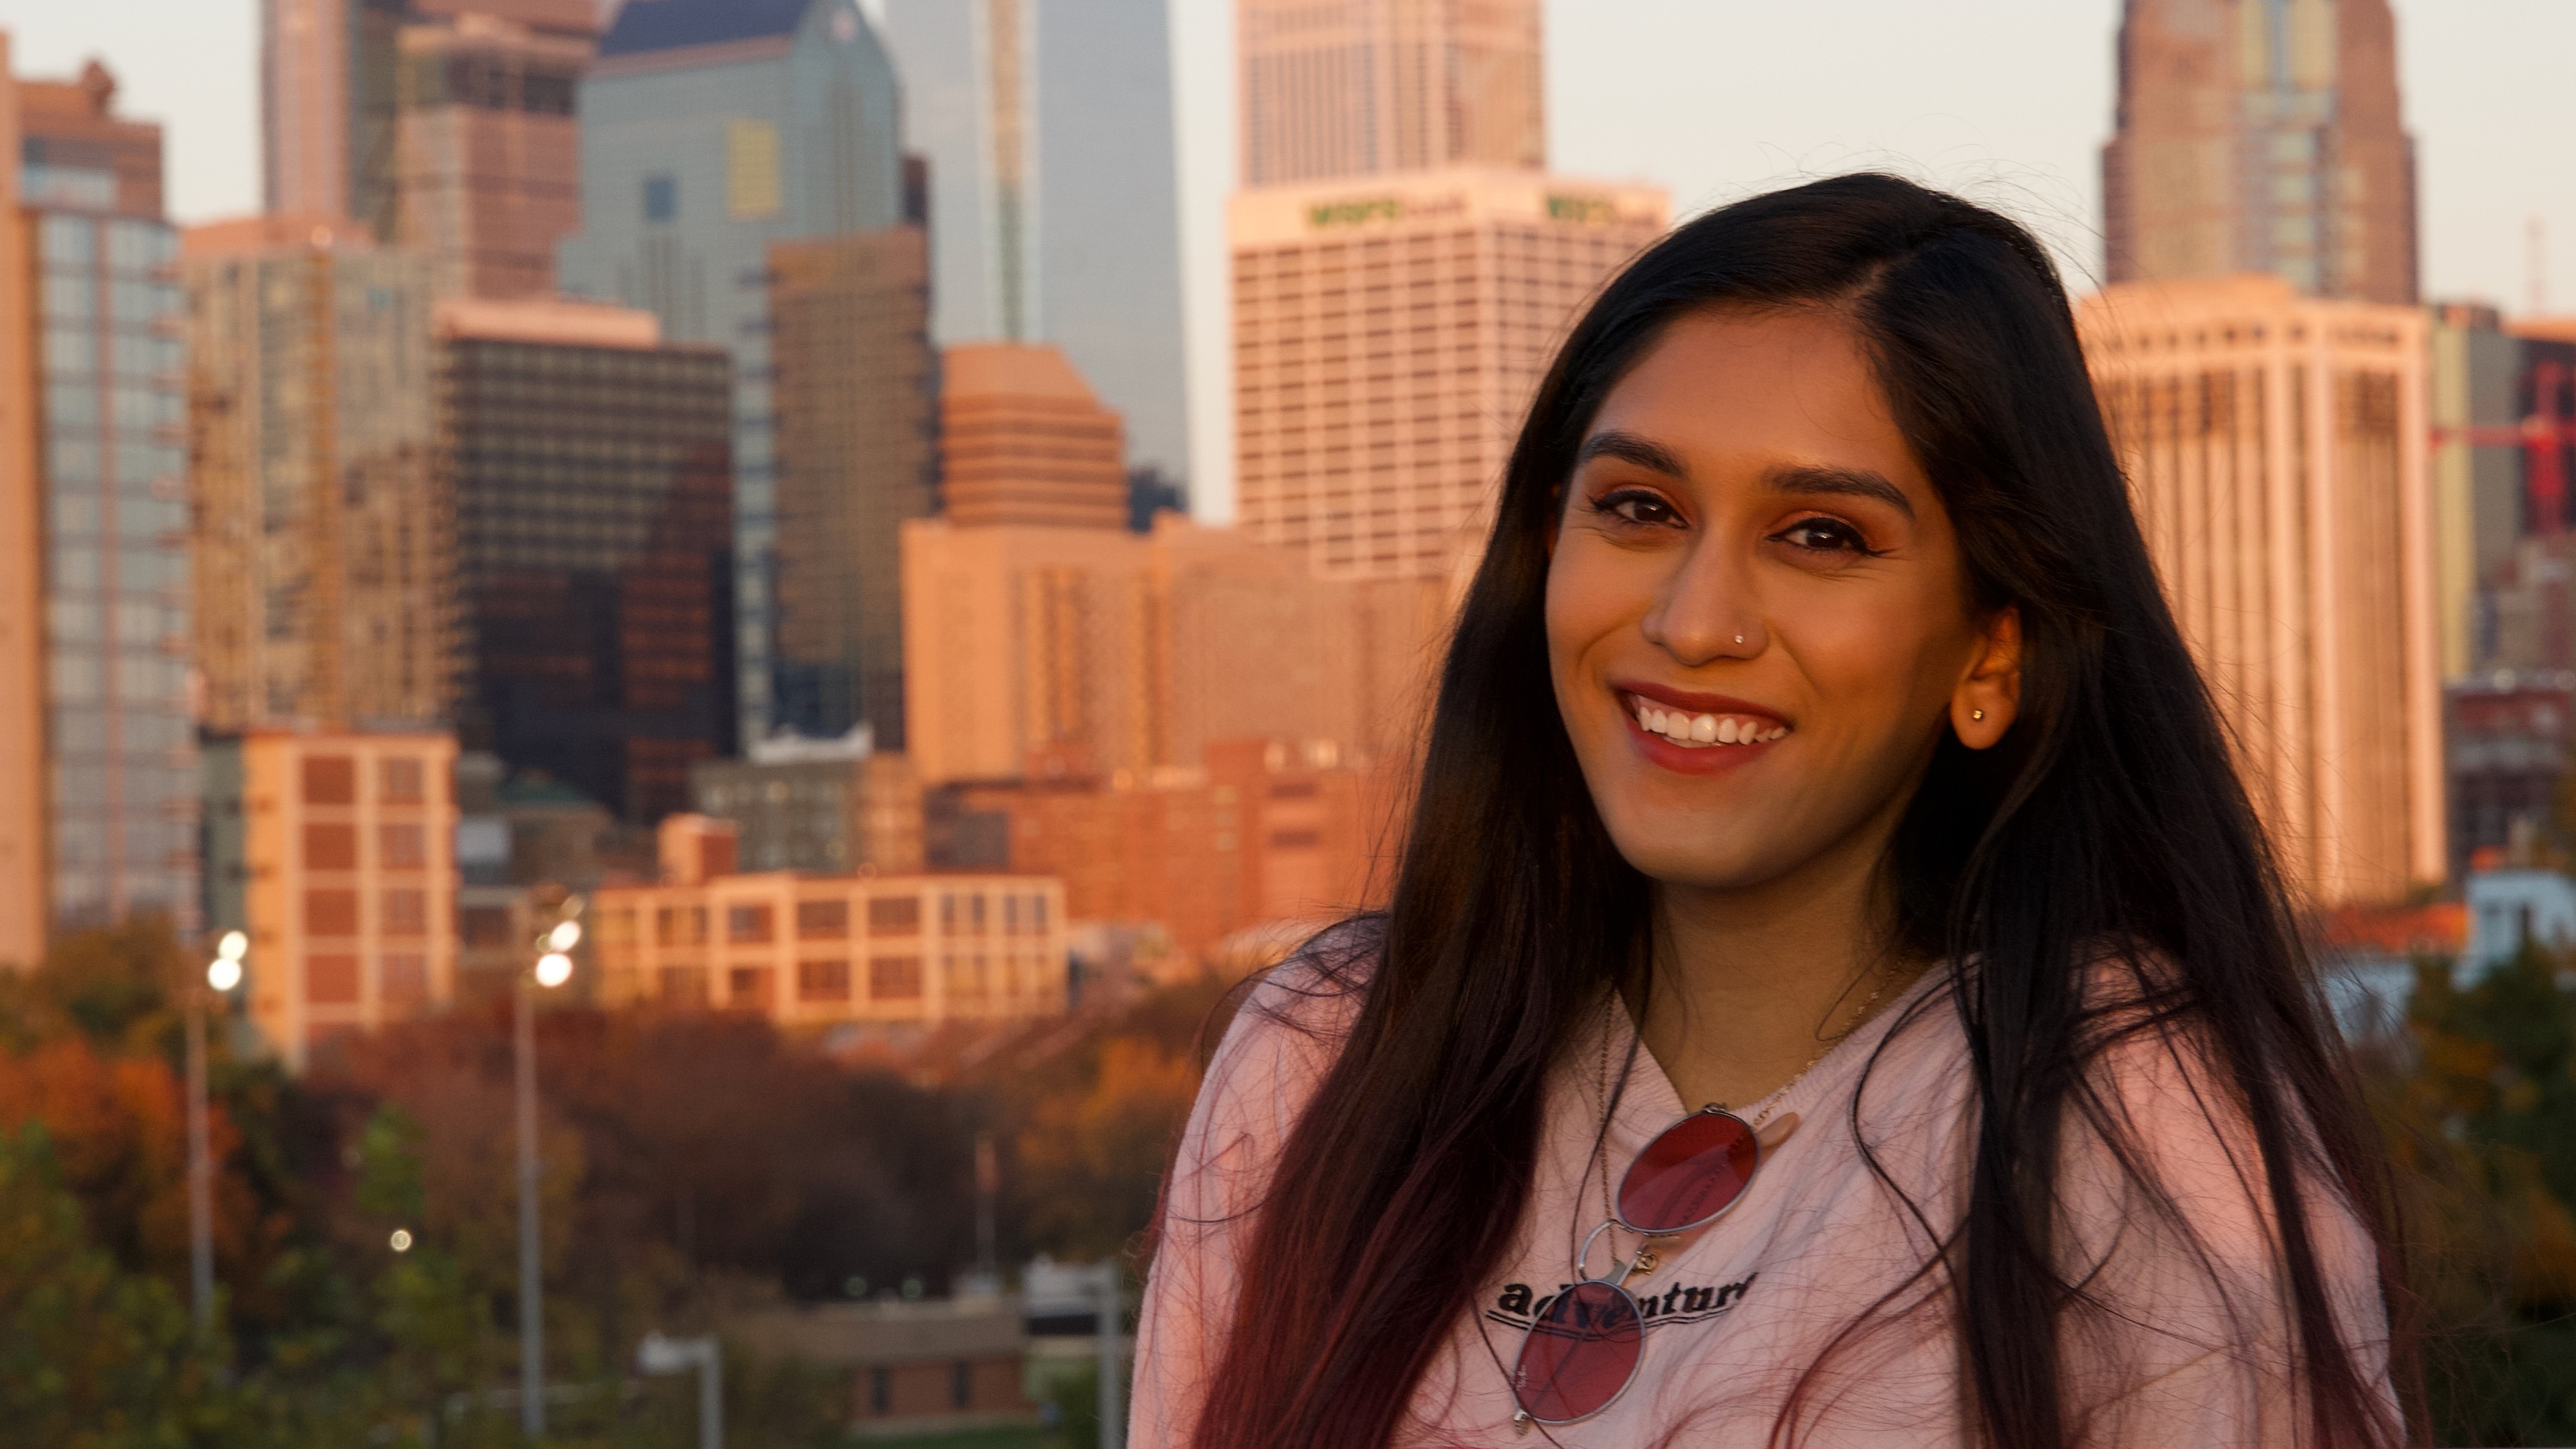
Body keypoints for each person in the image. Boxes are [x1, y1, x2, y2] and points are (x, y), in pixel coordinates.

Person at [1127, 174, 2408, 1448]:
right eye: (1639, 508)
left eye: (1820, 535)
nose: (1692, 622)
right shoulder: (1324, 1058)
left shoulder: (2125, 1125)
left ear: (1989, 656)